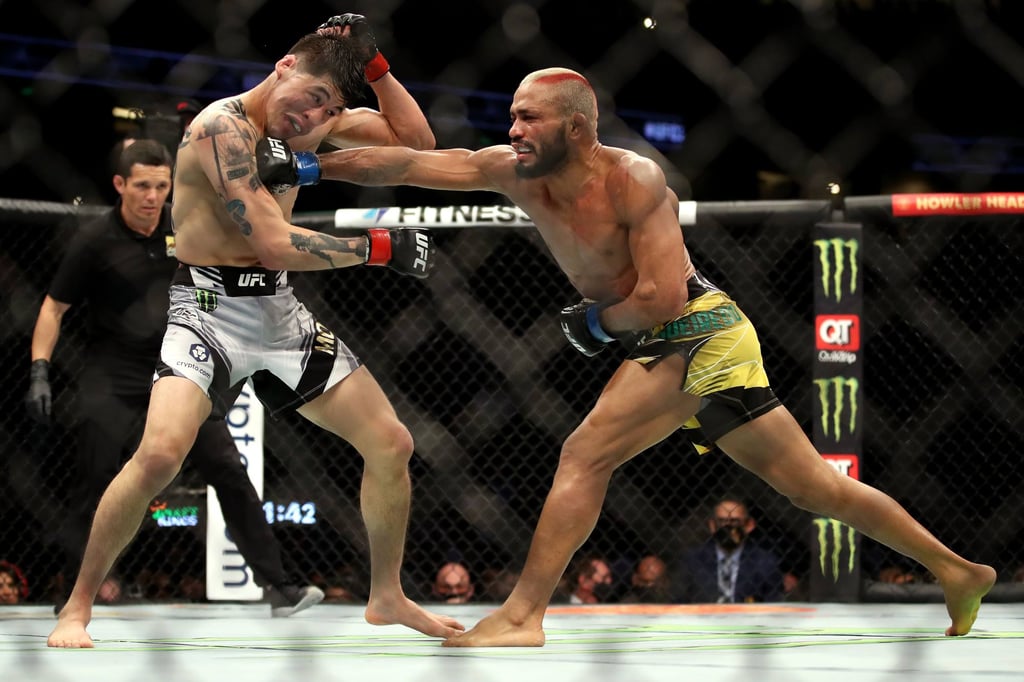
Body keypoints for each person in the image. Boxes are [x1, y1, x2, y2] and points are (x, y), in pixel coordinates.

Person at [255, 66, 996, 645]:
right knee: (816, 489)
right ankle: (958, 570)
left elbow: (664, 298)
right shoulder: (514, 170)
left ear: (576, 127)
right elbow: (415, 165)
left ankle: (523, 615)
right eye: (512, 115)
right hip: (669, 339)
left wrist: (598, 324)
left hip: (696, 332)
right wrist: (312, 169)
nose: (512, 128)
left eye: (528, 117)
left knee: (585, 453)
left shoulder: (632, 179)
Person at [47, 13, 461, 649]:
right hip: (206, 309)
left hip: (279, 311)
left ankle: (387, 596)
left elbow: (417, 142)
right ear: (283, 66)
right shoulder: (221, 127)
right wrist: (377, 247)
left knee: (391, 443)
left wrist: (375, 67)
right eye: (312, 97)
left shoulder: (315, 121)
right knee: (159, 456)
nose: (313, 117)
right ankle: (77, 606)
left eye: (331, 108)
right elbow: (271, 241)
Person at [26, 139, 323, 619]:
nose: (152, 196)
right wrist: (40, 368)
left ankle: (280, 586)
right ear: (120, 184)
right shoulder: (94, 238)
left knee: (227, 468)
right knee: (95, 478)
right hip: (113, 375)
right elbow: (52, 308)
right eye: (142, 185)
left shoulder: (185, 227)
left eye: (161, 186)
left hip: (181, 369)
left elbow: (228, 278)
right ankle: (74, 594)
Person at [674, 496, 782, 604]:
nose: (727, 526)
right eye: (722, 521)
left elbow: (774, 602)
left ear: (749, 525)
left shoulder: (764, 561)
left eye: (734, 521)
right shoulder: (693, 559)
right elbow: (679, 600)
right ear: (712, 525)